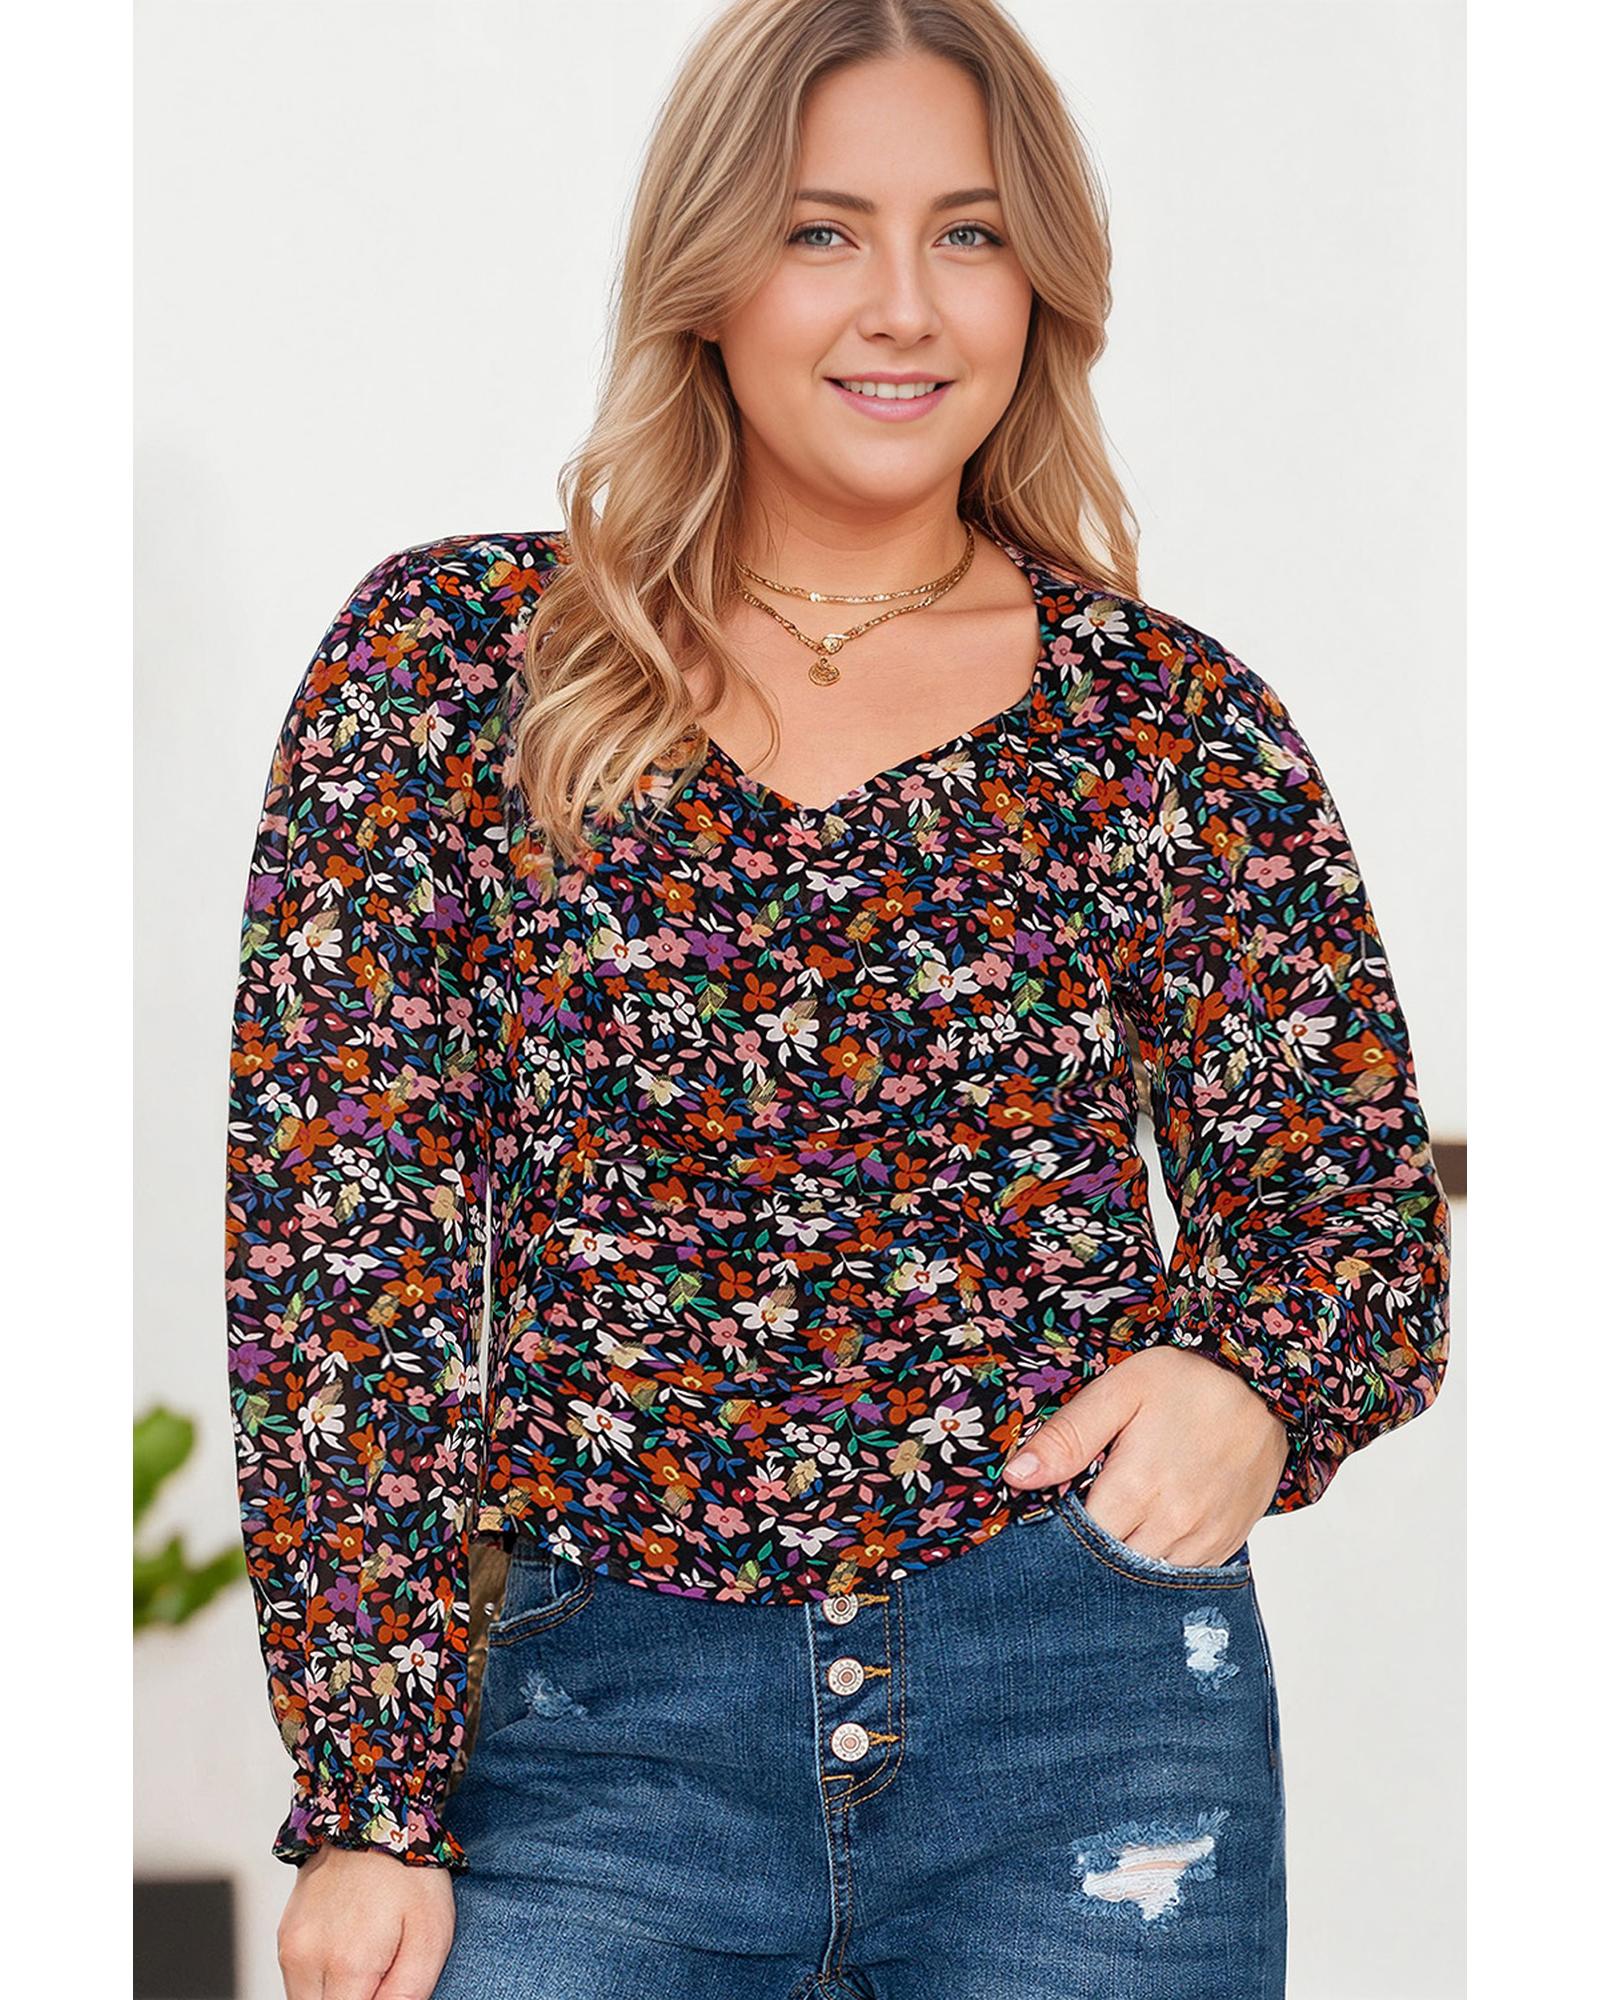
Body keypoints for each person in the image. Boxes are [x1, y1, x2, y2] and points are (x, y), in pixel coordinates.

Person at [222, 2, 1451, 1995]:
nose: (902, 306)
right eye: (821, 231)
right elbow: (344, 1253)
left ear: (1040, 284)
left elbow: (1354, 1207)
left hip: (1082, 1717)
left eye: (968, 233)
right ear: (706, 270)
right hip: (585, 1740)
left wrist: (1250, 1384)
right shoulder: (453, 669)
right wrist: (371, 1795)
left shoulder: (1164, 723)